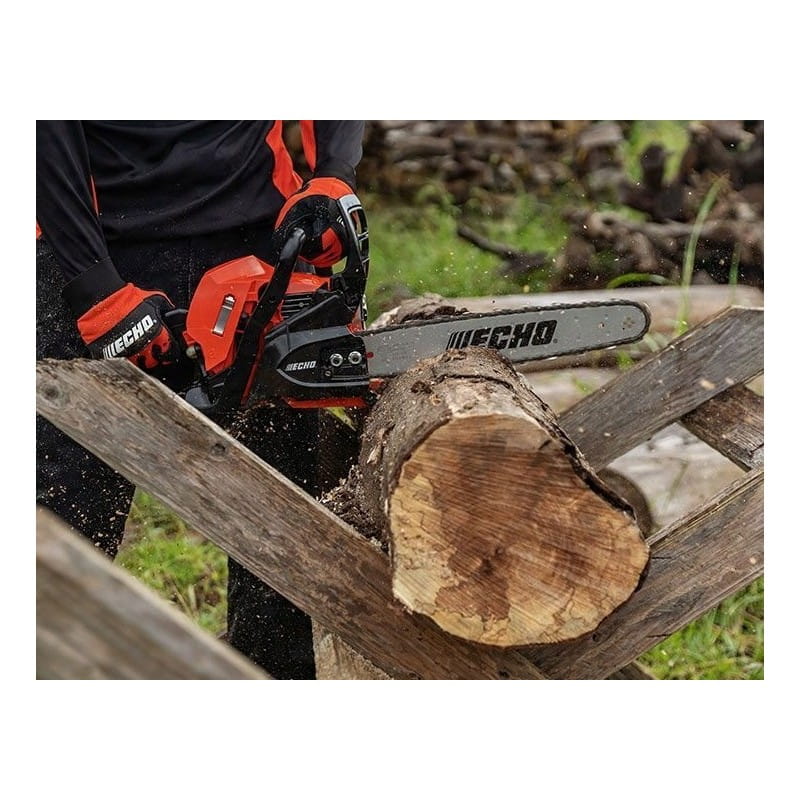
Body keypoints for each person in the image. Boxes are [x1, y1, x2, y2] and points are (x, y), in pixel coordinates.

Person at [36, 120, 366, 679]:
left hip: (257, 233)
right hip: (89, 241)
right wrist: (94, 287)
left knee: (282, 547)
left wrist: (334, 174)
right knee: (60, 532)